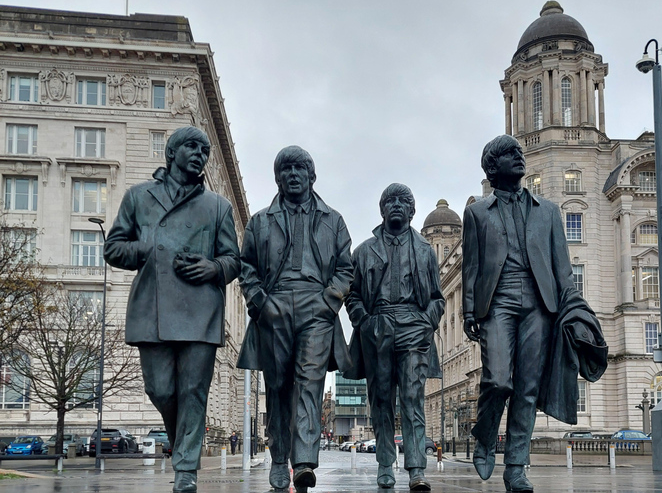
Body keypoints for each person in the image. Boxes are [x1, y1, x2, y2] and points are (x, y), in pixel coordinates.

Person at [462, 135, 607, 492]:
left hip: (540, 305)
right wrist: (469, 309)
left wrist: (574, 308)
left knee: (527, 388)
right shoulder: (477, 212)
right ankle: (484, 434)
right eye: (511, 153)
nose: (520, 157)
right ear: (494, 166)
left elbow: (562, 268)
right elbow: (471, 266)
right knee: (498, 380)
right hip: (497, 301)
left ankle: (515, 467)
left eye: (520, 152)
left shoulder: (549, 211)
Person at [104, 126, 240, 493]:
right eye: (193, 147)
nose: (200, 154)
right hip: (153, 307)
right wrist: (146, 248)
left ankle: (185, 471)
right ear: (172, 152)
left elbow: (234, 260)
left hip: (200, 309)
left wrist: (214, 268)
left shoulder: (217, 206)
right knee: (160, 389)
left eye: (205, 150)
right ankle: (182, 442)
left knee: (194, 390)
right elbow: (113, 248)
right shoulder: (138, 197)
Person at [237, 145, 353, 491]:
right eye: (285, 169)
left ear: (311, 176)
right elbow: (247, 267)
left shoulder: (333, 220)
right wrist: (260, 302)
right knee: (277, 386)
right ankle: (278, 458)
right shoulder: (260, 221)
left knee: (309, 383)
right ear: (278, 177)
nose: (292, 174)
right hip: (273, 306)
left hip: (316, 307)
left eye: (300, 168)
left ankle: (302, 462)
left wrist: (328, 300)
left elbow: (346, 269)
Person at [345, 184, 444, 491]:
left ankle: (416, 469)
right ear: (382, 209)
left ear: (412, 212)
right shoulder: (363, 252)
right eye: (391, 201)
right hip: (378, 327)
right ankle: (386, 464)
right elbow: (352, 295)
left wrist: (426, 323)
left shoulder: (426, 251)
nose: (397, 205)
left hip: (414, 326)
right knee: (381, 399)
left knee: (413, 398)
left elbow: (437, 299)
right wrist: (365, 321)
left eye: (404, 201)